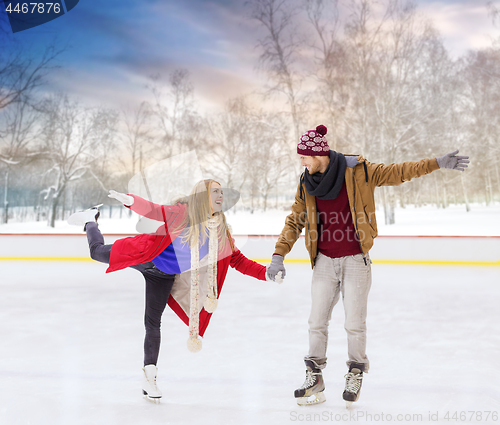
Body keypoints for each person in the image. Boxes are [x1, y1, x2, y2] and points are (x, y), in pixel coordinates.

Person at [266, 125, 469, 407]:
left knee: (354, 323)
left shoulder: (357, 170)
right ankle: (315, 375)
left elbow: (398, 172)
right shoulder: (306, 182)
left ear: (319, 154)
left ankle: (355, 371)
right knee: (316, 321)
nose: (301, 162)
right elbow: (295, 220)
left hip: (355, 260)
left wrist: (435, 163)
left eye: (304, 157)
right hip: (324, 260)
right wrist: (279, 255)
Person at [68, 179, 282, 403]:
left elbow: (237, 260)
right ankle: (90, 220)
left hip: (162, 276)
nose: (221, 195)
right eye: (215, 191)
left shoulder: (220, 233)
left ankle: (149, 377)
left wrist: (265, 273)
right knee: (96, 253)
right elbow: (154, 210)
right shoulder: (182, 213)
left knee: (152, 323)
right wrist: (131, 201)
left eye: (222, 192)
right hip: (145, 254)